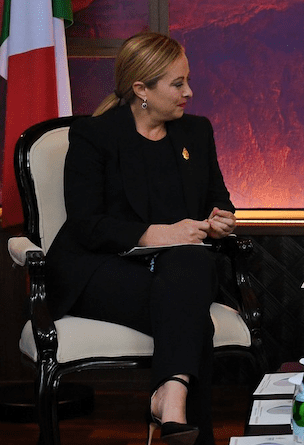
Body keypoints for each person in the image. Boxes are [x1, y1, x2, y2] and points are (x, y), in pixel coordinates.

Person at [46, 32, 236, 445]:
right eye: (177, 83)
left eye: (187, 80)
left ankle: (170, 406)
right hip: (98, 269)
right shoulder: (93, 136)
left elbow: (218, 201)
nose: (190, 91)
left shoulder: (196, 133)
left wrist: (222, 220)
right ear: (141, 89)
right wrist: (156, 233)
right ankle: (176, 410)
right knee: (191, 314)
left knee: (190, 263)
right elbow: (85, 224)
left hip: (179, 269)